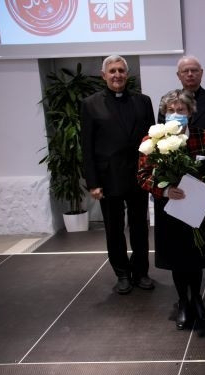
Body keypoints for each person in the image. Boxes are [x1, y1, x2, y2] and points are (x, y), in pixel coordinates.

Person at [138, 89, 205, 334]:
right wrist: (165, 190)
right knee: (177, 258)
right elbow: (142, 176)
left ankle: (197, 299)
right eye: (171, 110)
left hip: (196, 206)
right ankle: (183, 301)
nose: (176, 114)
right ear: (164, 113)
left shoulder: (204, 136)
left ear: (190, 112)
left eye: (181, 110)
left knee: (196, 256)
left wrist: (203, 186)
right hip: (168, 206)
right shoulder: (151, 141)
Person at [81, 55, 154, 295]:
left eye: (121, 70)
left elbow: (152, 140)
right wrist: (93, 182)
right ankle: (122, 273)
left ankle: (141, 272)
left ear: (127, 74)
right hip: (108, 178)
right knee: (114, 229)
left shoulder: (143, 101)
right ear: (104, 75)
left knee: (140, 227)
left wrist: (152, 173)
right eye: (112, 71)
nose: (117, 75)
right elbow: (87, 147)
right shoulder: (90, 104)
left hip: (138, 175)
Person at [158, 55, 205, 285]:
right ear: (179, 75)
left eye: (194, 70)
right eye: (185, 71)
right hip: (176, 184)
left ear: (201, 73)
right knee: (181, 241)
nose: (190, 74)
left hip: (204, 180)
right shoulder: (168, 101)